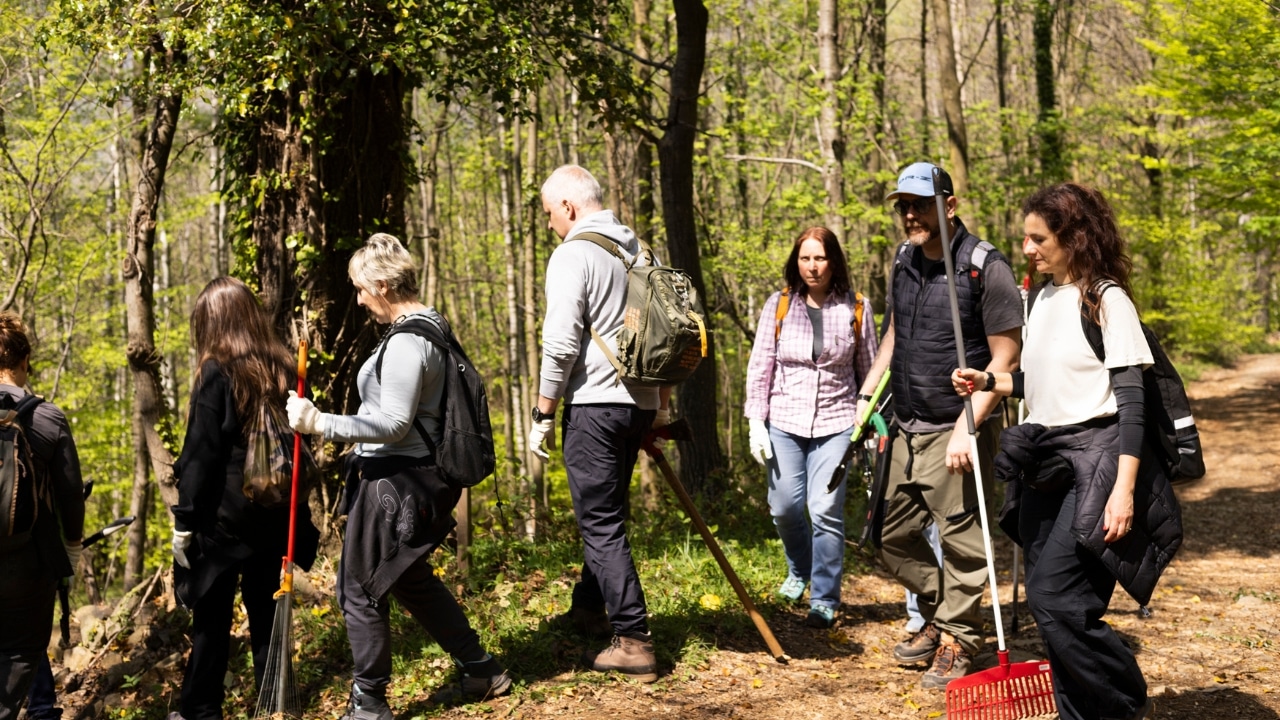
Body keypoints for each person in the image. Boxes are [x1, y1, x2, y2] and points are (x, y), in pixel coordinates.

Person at [952, 183, 1177, 720]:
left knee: (1057, 599)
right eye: (1026, 237)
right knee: (1053, 604)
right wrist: (989, 380)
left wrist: (1123, 491)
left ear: (1074, 237)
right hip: (1046, 462)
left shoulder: (1107, 300)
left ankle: (1124, 703)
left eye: (1038, 238)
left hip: (1098, 464)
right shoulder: (1043, 298)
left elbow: (1132, 405)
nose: (1026, 248)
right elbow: (1045, 384)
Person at [286, 234, 511, 719]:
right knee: (407, 577)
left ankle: (368, 704)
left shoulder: (409, 342)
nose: (358, 299)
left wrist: (319, 422)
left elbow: (393, 424)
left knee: (359, 587)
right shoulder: (428, 326)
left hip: (400, 478)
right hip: (409, 476)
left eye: (361, 288)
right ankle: (481, 669)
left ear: (383, 285)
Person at [853, 162, 1023, 689]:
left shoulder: (983, 266)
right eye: (904, 206)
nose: (911, 215)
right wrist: (867, 394)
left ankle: (958, 640)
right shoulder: (903, 258)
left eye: (921, 205)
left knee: (964, 544)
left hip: (957, 426)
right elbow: (895, 333)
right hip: (904, 422)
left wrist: (967, 427)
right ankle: (944, 612)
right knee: (888, 534)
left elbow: (1005, 360)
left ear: (949, 205)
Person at [528, 164, 669, 683]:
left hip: (596, 405)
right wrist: (660, 407)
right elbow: (666, 333)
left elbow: (561, 343)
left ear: (568, 206)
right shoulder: (640, 252)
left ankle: (633, 640)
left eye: (549, 213)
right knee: (608, 511)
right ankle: (590, 607)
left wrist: (543, 412)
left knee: (600, 520)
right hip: (639, 404)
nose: (549, 224)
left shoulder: (574, 254)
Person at [167, 277, 321, 720]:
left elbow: (200, 456)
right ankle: (276, 706)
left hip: (224, 522)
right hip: (276, 516)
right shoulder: (285, 367)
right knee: (268, 616)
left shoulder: (216, 372)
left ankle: (201, 711)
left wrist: (185, 523)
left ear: (213, 322)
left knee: (211, 620)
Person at [743, 226, 878, 629]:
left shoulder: (857, 306)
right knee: (784, 507)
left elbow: (869, 369)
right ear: (796, 262)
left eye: (820, 258)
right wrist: (756, 421)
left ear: (833, 261)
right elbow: (760, 365)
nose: (812, 266)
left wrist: (869, 421)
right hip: (784, 421)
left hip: (837, 423)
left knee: (825, 509)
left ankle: (824, 597)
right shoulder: (780, 304)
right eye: (805, 258)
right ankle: (799, 568)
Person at [0, 313, 84, 720]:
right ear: (25, 360)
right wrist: (72, 551)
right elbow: (70, 494)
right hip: (29, 562)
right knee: (22, 651)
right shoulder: (47, 417)